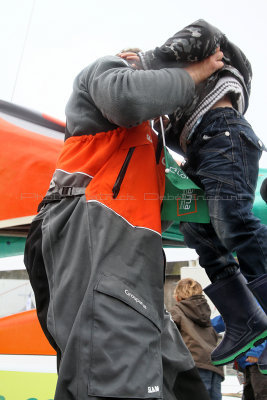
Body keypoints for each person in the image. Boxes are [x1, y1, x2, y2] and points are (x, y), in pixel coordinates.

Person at [24, 35, 224, 400]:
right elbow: (128, 96)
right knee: (113, 374)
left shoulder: (149, 144)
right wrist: (195, 73)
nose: (144, 71)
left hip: (131, 256)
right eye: (140, 64)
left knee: (174, 381)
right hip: (90, 226)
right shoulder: (105, 71)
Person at [138, 19, 267, 368]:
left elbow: (202, 29)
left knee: (234, 222)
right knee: (198, 230)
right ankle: (245, 319)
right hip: (202, 148)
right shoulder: (183, 99)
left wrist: (148, 60)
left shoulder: (211, 51)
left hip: (224, 135)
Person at [170, 278, 224, 400]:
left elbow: (168, 336)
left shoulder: (176, 311)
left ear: (178, 296)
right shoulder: (205, 312)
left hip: (194, 364)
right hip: (215, 365)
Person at [212, 315, 267, 400]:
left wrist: (256, 353)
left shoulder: (251, 304)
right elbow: (218, 322)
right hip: (247, 362)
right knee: (250, 394)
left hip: (258, 360)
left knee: (261, 394)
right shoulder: (236, 307)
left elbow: (260, 325)